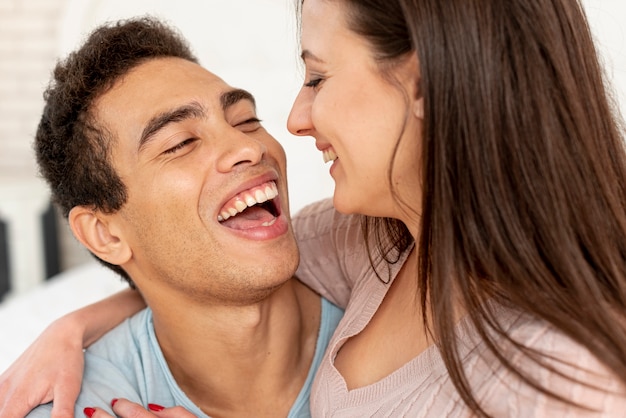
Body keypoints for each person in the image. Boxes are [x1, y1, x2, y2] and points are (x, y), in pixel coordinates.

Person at [3, 0, 626, 416]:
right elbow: (201, 271)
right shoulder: (372, 243)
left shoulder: (569, 378)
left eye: (318, 78)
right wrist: (72, 327)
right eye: (183, 141)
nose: (279, 129)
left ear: (423, 84)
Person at [3, 16, 343, 418]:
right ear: (105, 235)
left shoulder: (384, 278)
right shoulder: (78, 405)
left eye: (246, 120)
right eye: (180, 143)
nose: (247, 148)